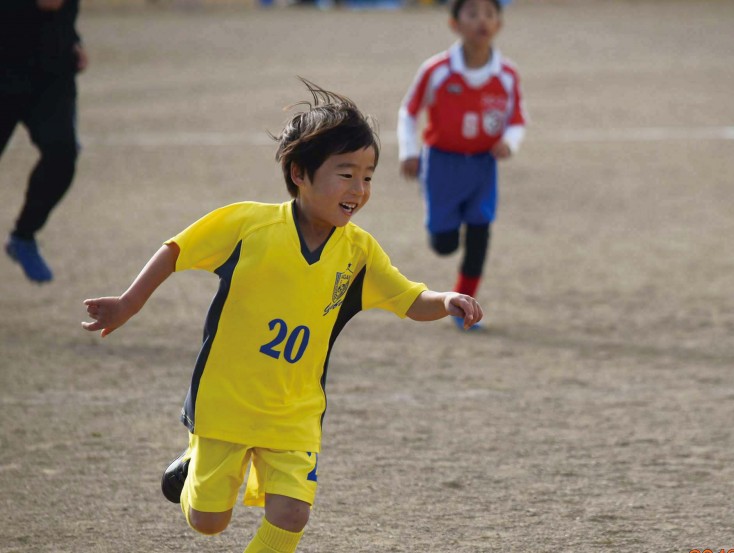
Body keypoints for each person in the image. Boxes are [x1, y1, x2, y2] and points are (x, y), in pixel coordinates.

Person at [81, 79, 482, 553]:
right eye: (346, 174)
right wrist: (128, 303)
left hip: (296, 410)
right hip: (226, 403)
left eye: (369, 177)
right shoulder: (249, 225)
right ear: (299, 173)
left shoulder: (359, 252)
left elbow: (408, 299)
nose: (359, 189)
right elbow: (177, 251)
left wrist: (445, 299)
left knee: (293, 513)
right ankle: (191, 468)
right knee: (209, 522)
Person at [397, 0, 526, 329]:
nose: (482, 20)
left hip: (483, 166)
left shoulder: (507, 74)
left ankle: (464, 308)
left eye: (489, 14)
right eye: (472, 13)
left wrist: (509, 143)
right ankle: (441, 223)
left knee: (480, 232)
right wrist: (409, 152)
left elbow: (516, 120)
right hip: (441, 164)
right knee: (445, 244)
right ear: (454, 24)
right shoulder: (437, 70)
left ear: (498, 24)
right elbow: (409, 112)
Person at [1, 0, 88, 283]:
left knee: (62, 154)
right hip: (5, 66)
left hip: (51, 71)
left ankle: (23, 236)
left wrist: (72, 37)